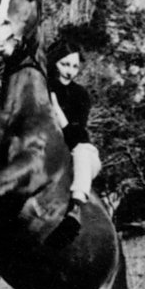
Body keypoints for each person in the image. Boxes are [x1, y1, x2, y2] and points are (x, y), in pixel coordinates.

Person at [47, 39, 101, 246]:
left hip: (81, 155)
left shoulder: (81, 95)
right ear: (54, 63)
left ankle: (76, 208)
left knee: (82, 152)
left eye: (75, 66)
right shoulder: (42, 86)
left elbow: (76, 136)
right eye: (65, 64)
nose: (70, 71)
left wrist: (57, 111)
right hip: (51, 153)